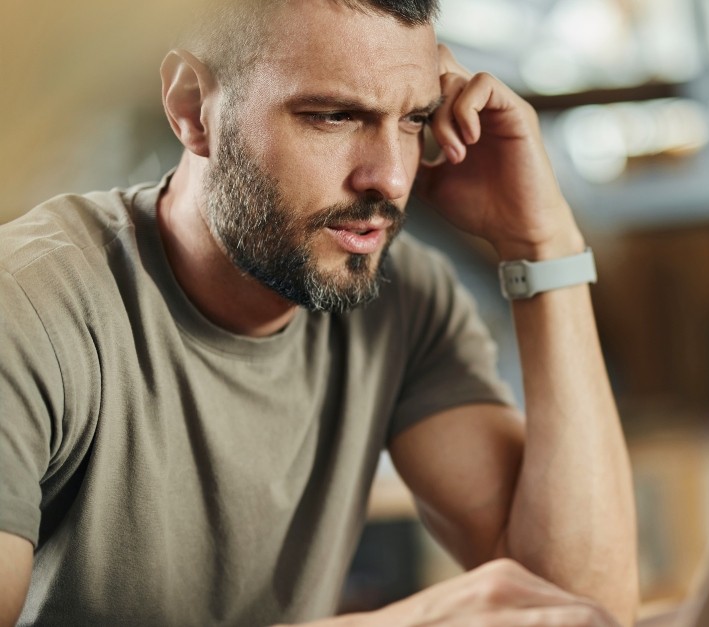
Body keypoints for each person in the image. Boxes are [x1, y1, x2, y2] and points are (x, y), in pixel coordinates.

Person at [0, 0, 638, 624]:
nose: (389, 177)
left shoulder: (404, 299)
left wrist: (544, 248)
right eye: (333, 116)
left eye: (414, 120)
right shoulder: (27, 305)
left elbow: (579, 603)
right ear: (193, 106)